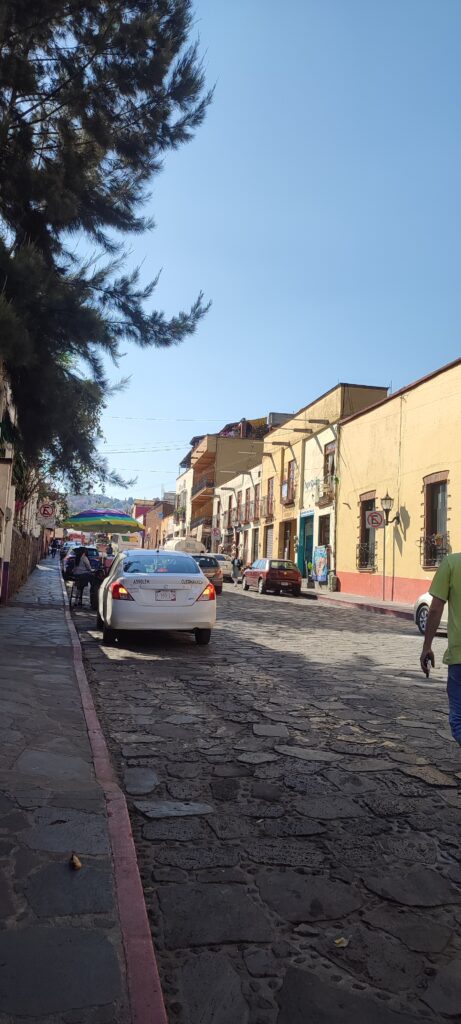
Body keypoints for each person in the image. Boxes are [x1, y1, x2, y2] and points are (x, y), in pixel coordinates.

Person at [420, 551, 461, 744]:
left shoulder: (452, 563)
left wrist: (427, 646)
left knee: (459, 719)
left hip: (460, 656)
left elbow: (435, 608)